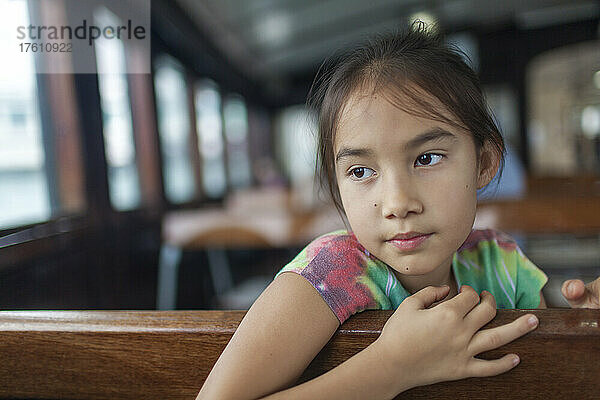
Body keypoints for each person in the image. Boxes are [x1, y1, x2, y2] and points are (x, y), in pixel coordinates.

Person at [197, 24, 547, 400]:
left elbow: (554, 368)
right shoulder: (327, 277)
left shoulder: (503, 264)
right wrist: (395, 366)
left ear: (484, 162)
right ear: (337, 184)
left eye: (427, 159)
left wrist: (586, 320)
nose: (398, 204)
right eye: (361, 171)